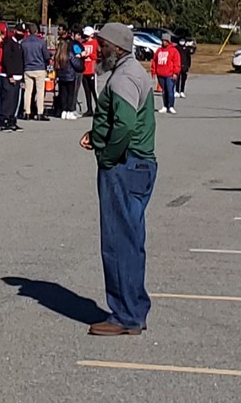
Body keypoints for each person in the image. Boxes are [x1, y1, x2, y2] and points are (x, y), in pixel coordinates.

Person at [78, 22, 156, 335]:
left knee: (118, 241)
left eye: (103, 45)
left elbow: (123, 126)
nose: (98, 50)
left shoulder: (123, 76)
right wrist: (96, 135)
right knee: (132, 240)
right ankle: (134, 308)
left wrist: (107, 156)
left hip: (125, 165)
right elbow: (120, 122)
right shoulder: (134, 71)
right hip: (139, 164)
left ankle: (126, 315)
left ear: (117, 47)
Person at [0, 23, 25, 132]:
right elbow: (6, 60)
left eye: (23, 32)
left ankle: (12, 121)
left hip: (18, 76)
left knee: (15, 101)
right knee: (7, 101)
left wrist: (22, 78)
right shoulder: (9, 43)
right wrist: (10, 75)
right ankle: (3, 121)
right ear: (15, 31)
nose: (22, 34)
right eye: (20, 31)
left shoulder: (19, 44)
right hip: (8, 77)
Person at [21, 23, 50, 120]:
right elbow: (46, 56)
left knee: (28, 91)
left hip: (28, 68)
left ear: (28, 31)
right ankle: (40, 112)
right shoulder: (41, 42)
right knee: (40, 91)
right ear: (37, 31)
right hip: (39, 68)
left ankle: (27, 112)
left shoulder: (24, 42)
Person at [151, 33, 181, 114]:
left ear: (168, 41)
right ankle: (165, 106)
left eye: (165, 41)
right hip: (160, 74)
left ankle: (171, 106)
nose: (163, 42)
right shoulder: (159, 50)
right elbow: (154, 61)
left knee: (170, 91)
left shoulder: (174, 51)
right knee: (164, 91)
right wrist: (153, 71)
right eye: (162, 41)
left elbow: (177, 62)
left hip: (170, 75)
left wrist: (175, 73)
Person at [55, 38, 84, 120]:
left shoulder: (57, 55)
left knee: (63, 94)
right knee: (70, 95)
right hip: (70, 76)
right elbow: (77, 64)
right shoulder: (69, 54)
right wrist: (81, 66)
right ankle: (69, 112)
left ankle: (63, 111)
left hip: (61, 77)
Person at [80, 26, 100, 116]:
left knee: (94, 90)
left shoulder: (95, 43)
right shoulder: (82, 43)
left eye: (88, 35)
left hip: (92, 69)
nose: (86, 37)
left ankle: (99, 108)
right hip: (84, 70)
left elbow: (98, 56)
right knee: (86, 90)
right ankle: (89, 109)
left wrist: (90, 54)